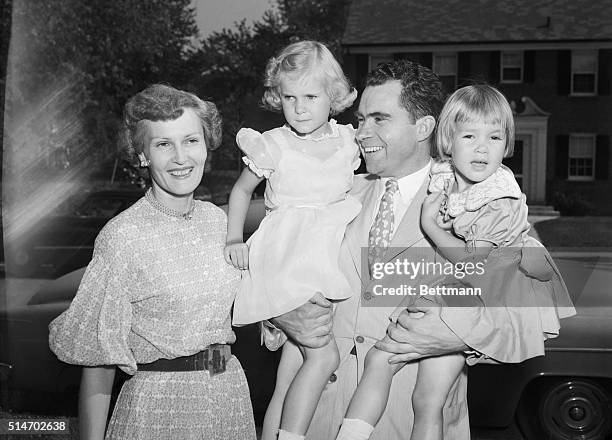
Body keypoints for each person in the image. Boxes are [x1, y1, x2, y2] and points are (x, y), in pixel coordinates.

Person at [263, 60, 575, 440]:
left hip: (409, 424)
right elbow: (274, 267)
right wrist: (279, 316)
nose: (362, 133)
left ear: (424, 127)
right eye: (361, 119)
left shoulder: (478, 200)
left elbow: (536, 304)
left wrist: (461, 335)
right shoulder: (333, 193)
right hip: (317, 423)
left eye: (380, 119)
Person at [49, 84, 256, 440]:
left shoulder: (221, 223)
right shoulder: (123, 235)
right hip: (158, 407)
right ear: (142, 155)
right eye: (163, 144)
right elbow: (98, 363)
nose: (181, 157)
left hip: (228, 398)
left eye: (191, 140)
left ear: (207, 145)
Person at [224, 40, 360, 440]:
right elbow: (239, 191)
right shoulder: (274, 144)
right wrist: (235, 238)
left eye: (311, 96)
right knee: (324, 355)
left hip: (321, 259)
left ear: (333, 97)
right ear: (277, 97)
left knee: (290, 371)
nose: (300, 108)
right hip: (286, 258)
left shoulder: (347, 141)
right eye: (289, 97)